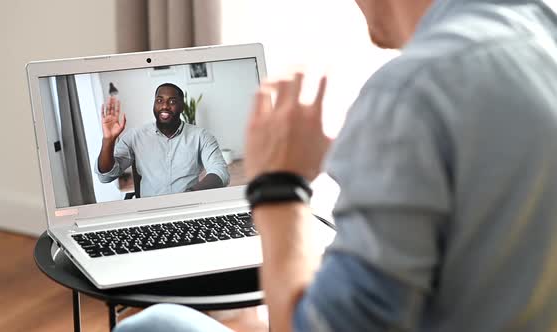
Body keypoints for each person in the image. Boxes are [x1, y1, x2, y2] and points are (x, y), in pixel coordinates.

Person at [114, 0, 557, 331]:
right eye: (160, 99)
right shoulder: (543, 28)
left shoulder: (413, 90)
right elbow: (109, 171)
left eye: (172, 98)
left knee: (152, 326)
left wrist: (278, 186)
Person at [96, 83, 229, 197]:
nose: (165, 106)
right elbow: (106, 176)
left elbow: (220, 172)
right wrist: (108, 140)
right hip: (150, 213)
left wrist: (190, 194)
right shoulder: (135, 136)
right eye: (159, 100)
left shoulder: (202, 136)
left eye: (172, 101)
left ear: (182, 107)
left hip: (189, 208)